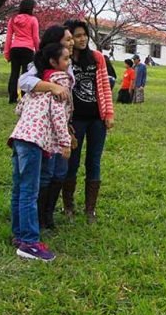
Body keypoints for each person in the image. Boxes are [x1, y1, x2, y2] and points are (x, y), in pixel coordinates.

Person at [8, 41, 72, 262]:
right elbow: (58, 115)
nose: (68, 63)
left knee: (19, 189)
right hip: (35, 140)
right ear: (54, 62)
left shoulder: (38, 82)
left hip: (20, 137)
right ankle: (29, 242)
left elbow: (19, 107)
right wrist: (65, 143)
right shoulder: (60, 81)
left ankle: (18, 234)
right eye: (65, 59)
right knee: (29, 191)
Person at [60, 20, 115, 223]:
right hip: (75, 120)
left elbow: (104, 87)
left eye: (84, 35)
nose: (82, 39)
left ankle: (90, 209)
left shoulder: (97, 58)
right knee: (71, 163)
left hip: (96, 120)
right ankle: (68, 206)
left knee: (94, 161)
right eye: (77, 35)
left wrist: (108, 114)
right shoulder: (65, 60)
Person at [4, 0, 39, 104]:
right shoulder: (33, 20)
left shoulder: (13, 19)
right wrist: (38, 51)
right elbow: (35, 37)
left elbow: (9, 36)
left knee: (14, 73)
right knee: (26, 73)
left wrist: (7, 52)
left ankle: (12, 97)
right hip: (27, 49)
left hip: (15, 48)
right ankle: (24, 97)